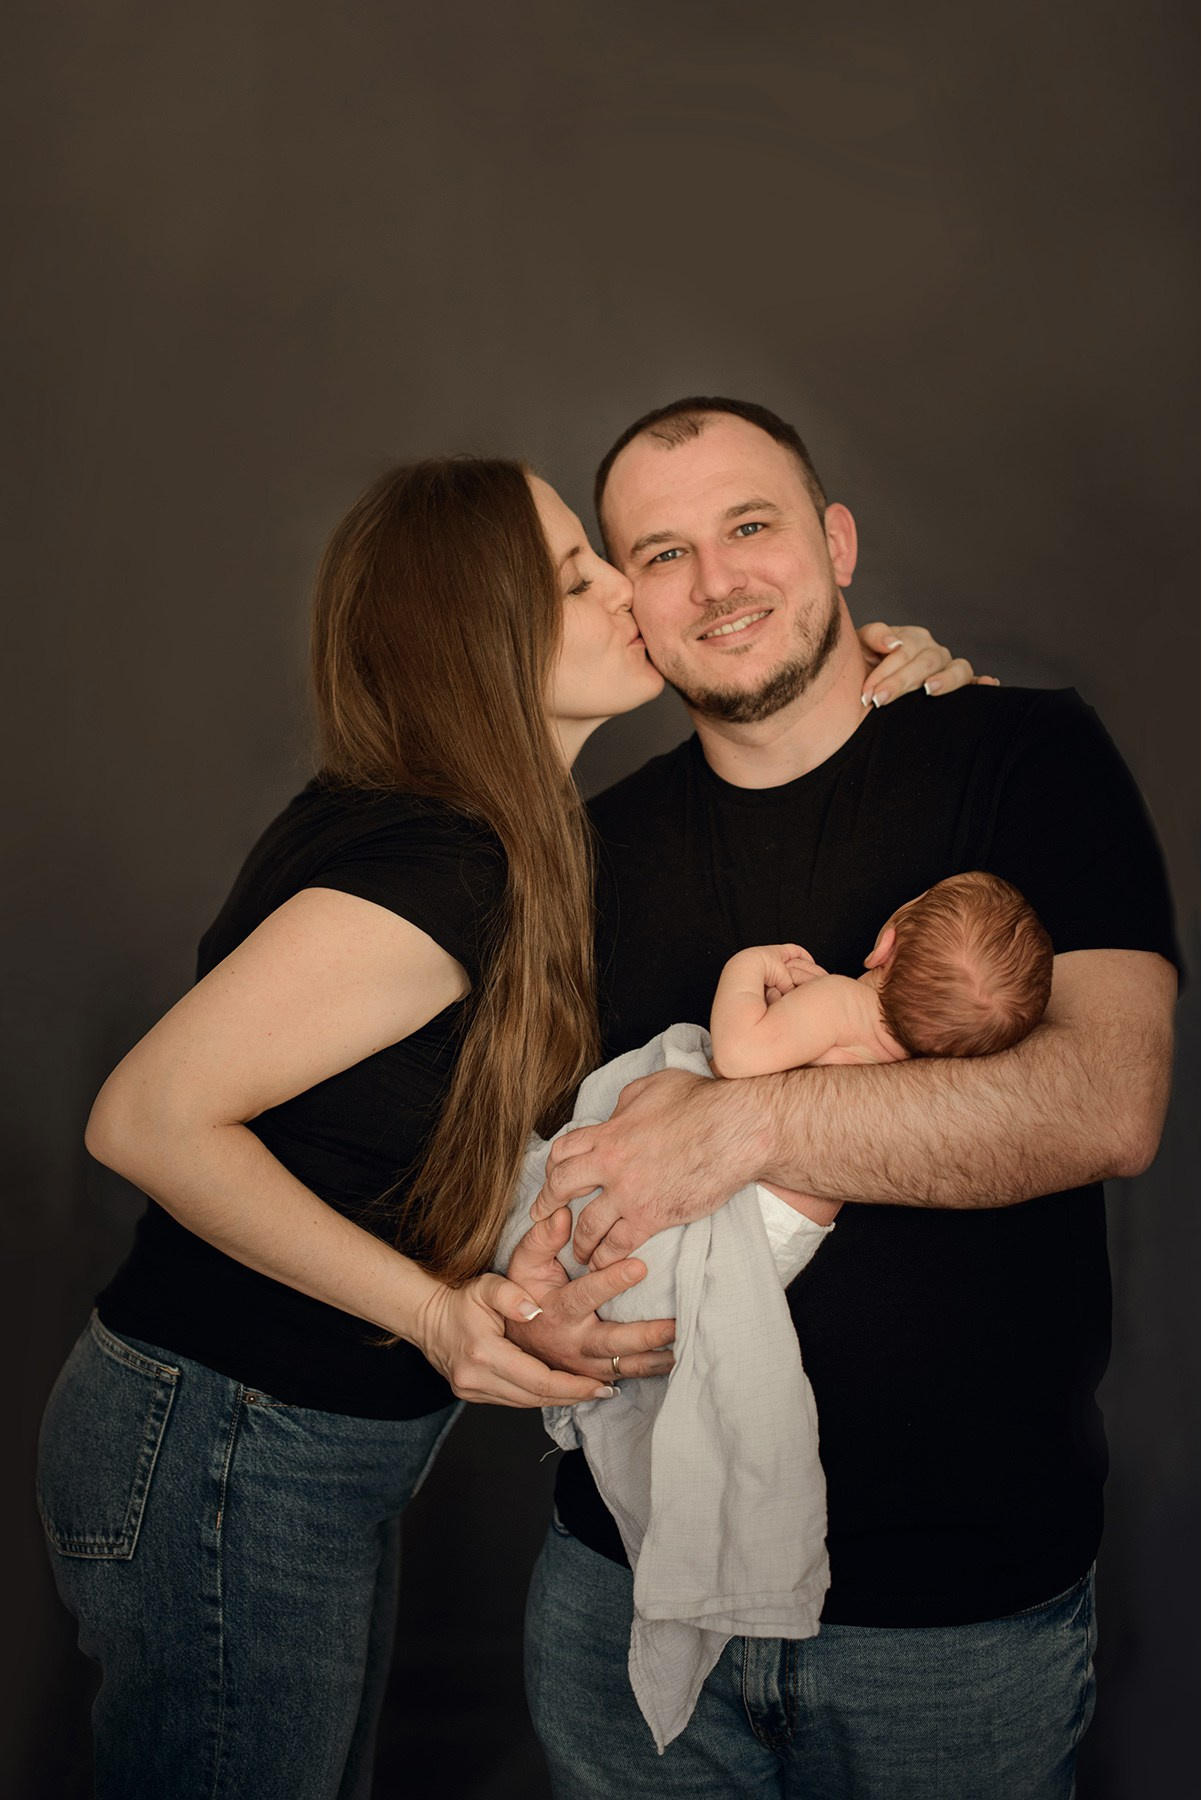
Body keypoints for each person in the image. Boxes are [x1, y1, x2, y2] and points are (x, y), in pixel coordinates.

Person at [35, 452, 970, 1800]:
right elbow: (146, 1119)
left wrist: (866, 674)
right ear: (482, 633)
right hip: (225, 1438)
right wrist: (436, 1315)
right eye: (576, 578)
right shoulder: (441, 864)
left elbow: (387, 1147)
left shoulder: (480, 833)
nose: (625, 590)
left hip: (275, 1440)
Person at [518, 397, 1180, 1800]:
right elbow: (509, 1163)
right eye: (663, 553)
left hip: (955, 1629)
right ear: (630, 599)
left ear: (835, 541)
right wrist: (532, 1302)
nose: (717, 581)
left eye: (750, 525)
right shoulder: (588, 852)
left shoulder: (1023, 757)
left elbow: (1105, 1103)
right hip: (627, 1580)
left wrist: (744, 1126)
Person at [505, 871, 1054, 1753]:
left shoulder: (842, 1003)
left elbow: (739, 1057)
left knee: (591, 1180)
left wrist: (747, 971)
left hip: (748, 1213)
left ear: (888, 941)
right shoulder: (932, 1064)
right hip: (787, 1239)